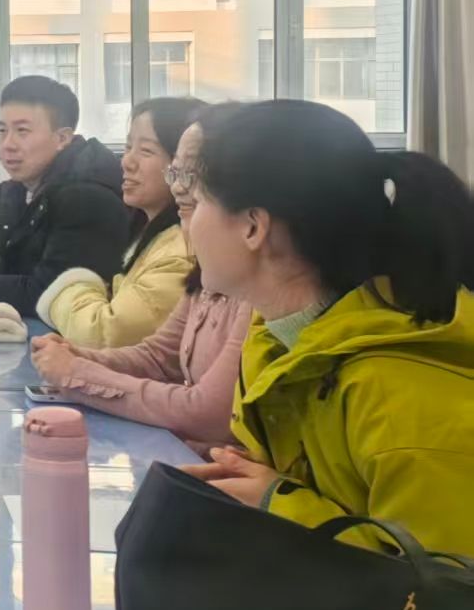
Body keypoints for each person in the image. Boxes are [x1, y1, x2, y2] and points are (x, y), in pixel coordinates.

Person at [181, 99, 474, 555]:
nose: (188, 221)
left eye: (198, 201)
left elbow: (445, 586)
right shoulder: (277, 346)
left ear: (254, 227)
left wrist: (277, 502)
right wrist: (250, 481)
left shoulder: (399, 396)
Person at [29, 105, 250, 452]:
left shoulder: (252, 291)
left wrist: (76, 372)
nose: (180, 187)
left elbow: (208, 414)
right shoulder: (205, 270)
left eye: (191, 174)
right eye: (176, 173)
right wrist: (78, 358)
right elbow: (159, 358)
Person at [0, 76, 132, 317]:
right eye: (3, 131)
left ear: (62, 138)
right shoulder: (30, 186)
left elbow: (46, 295)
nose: (7, 144)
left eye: (22, 131)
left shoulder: (84, 198)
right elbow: (23, 260)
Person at [33, 98, 202, 348]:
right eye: (128, 146)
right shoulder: (148, 233)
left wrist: (72, 287)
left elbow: (103, 333)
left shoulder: (179, 254)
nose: (127, 162)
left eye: (146, 151)